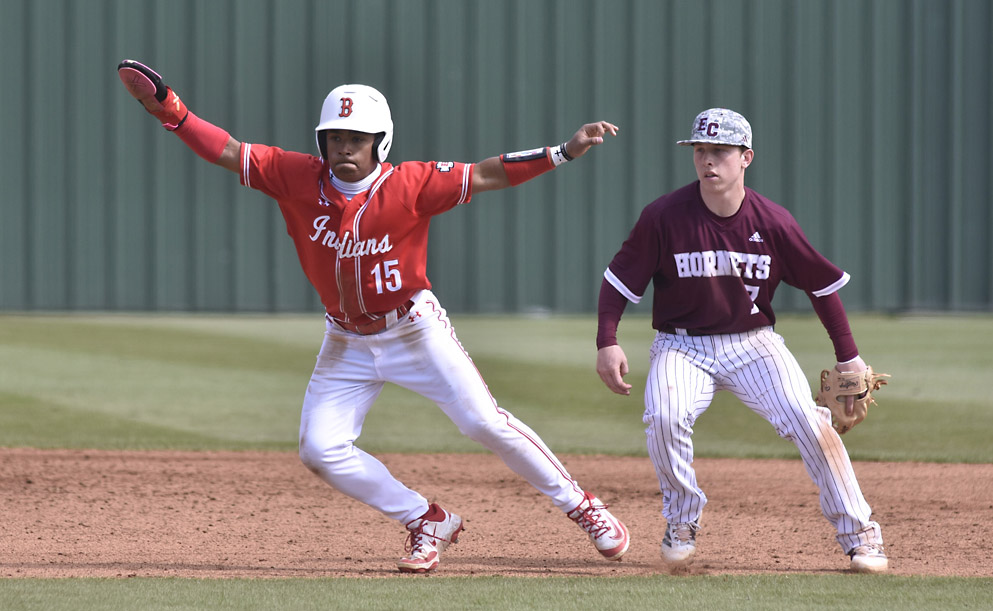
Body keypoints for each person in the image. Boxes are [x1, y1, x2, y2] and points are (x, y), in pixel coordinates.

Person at [117, 59, 629, 573]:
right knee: (320, 449)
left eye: (357, 138)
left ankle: (584, 509)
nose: (344, 147)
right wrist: (166, 107)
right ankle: (426, 519)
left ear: (380, 142)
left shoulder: (411, 184)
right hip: (346, 341)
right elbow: (226, 150)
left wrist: (562, 152)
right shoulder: (295, 177)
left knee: (483, 422)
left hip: (413, 329)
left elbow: (488, 172)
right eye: (335, 137)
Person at [594, 108, 888, 574]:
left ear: (746, 157)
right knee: (665, 417)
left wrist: (849, 357)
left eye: (721, 152)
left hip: (754, 344)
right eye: (700, 151)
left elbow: (821, 286)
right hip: (680, 346)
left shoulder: (773, 222)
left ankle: (861, 535)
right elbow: (618, 282)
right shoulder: (664, 217)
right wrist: (606, 340)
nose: (708, 161)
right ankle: (682, 520)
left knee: (811, 424)